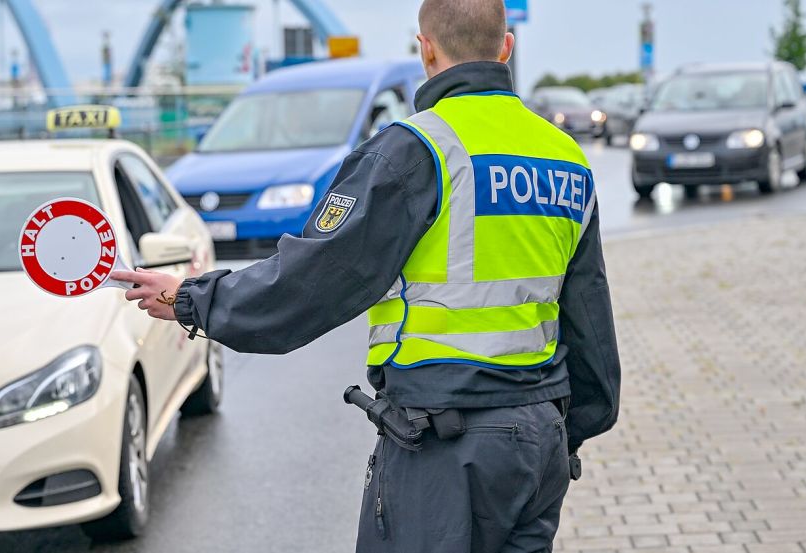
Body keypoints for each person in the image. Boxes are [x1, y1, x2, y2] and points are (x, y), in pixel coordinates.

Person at [112, 0, 622, 550]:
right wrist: (571, 426)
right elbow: (588, 310)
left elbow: (312, 281)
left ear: (425, 47)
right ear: (506, 47)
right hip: (538, 437)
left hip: (448, 444)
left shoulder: (417, 149)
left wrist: (193, 300)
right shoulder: (565, 156)